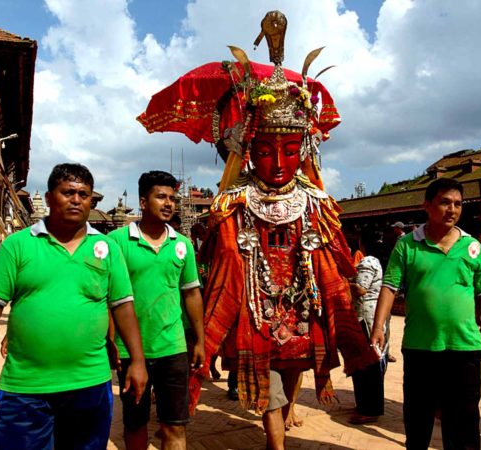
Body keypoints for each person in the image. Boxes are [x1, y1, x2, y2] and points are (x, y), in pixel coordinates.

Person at [136, 11, 377, 449]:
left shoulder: (317, 203)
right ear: (249, 151)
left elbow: (333, 263)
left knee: (294, 369)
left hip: (302, 306)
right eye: (266, 152)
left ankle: (284, 419)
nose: (280, 164)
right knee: (267, 374)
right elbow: (223, 264)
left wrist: (343, 294)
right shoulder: (233, 202)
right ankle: (276, 442)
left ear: (303, 148)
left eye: (289, 150)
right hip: (253, 308)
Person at [0, 163, 147, 450]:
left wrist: (138, 362)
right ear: (49, 196)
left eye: (84, 194)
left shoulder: (108, 249)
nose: (77, 199)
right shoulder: (18, 245)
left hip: (89, 383)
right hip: (26, 386)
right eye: (68, 192)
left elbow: (123, 308)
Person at [370, 178, 481, 450]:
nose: (452, 209)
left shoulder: (471, 247)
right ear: (427, 206)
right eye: (445, 202)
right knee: (418, 421)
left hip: (464, 347)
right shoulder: (407, 245)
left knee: (464, 422)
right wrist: (378, 328)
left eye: (458, 204)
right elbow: (390, 287)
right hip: (421, 347)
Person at [107, 170, 204, 450]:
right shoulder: (117, 242)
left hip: (172, 347)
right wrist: (110, 340)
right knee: (135, 424)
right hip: (129, 350)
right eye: (160, 196)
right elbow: (107, 297)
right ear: (142, 201)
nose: (168, 203)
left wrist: (199, 339)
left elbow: (191, 293)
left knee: (174, 425)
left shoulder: (182, 245)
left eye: (172, 198)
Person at [348, 229, 387, 424]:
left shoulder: (367, 262)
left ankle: (369, 408)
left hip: (365, 317)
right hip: (367, 316)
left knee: (367, 363)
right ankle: (366, 404)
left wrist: (340, 282)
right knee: (367, 362)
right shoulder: (375, 261)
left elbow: (360, 289)